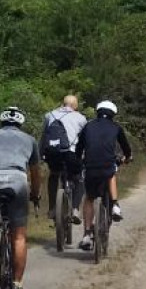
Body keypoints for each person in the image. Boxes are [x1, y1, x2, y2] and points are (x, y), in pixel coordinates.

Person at [0, 105, 38, 289]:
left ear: (1, 121)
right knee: (19, 236)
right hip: (17, 181)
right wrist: (35, 194)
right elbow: (35, 173)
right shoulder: (30, 140)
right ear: (21, 123)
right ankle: (17, 283)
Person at [77, 99, 133, 251]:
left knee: (89, 198)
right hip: (107, 165)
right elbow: (126, 147)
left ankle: (87, 235)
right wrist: (128, 157)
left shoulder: (88, 126)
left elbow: (79, 147)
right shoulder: (116, 127)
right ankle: (115, 205)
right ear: (113, 114)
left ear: (97, 112)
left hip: (90, 166)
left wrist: (78, 160)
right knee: (111, 173)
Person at [39, 92, 87, 225]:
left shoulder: (50, 115)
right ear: (75, 106)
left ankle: (52, 208)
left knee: (54, 175)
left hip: (53, 153)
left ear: (62, 104)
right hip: (72, 153)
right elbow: (85, 139)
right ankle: (75, 209)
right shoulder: (81, 118)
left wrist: (41, 154)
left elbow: (44, 136)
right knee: (79, 178)